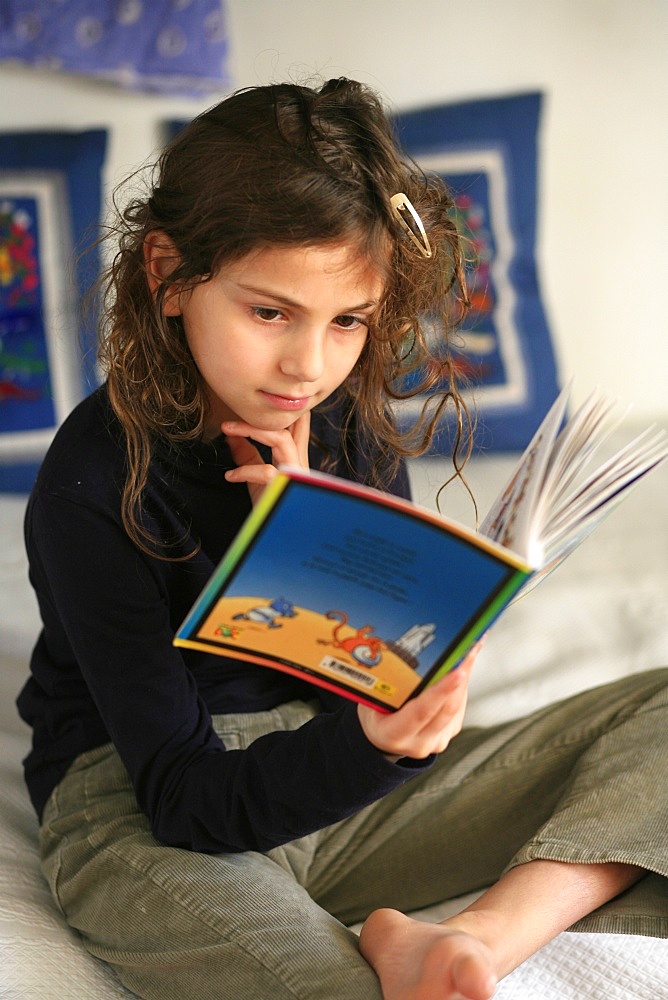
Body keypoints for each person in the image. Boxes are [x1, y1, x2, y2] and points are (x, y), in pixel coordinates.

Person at [17, 78, 666, 1000]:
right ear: (167, 275)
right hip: (149, 806)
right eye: (270, 312)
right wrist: (377, 747)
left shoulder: (343, 426)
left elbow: (361, 672)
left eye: (347, 322)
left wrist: (322, 533)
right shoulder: (90, 483)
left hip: (340, 775)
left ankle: (479, 935)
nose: (308, 366)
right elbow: (184, 796)